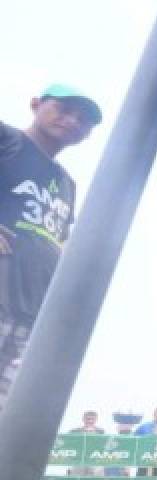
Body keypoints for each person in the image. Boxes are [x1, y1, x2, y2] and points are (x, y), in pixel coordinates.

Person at [1, 86, 101, 416]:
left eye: (83, 120)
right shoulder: (8, 141)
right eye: (64, 108)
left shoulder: (66, 183)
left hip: (32, 316)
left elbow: (60, 242)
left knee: (12, 417)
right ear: (35, 104)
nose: (72, 120)